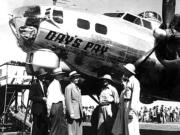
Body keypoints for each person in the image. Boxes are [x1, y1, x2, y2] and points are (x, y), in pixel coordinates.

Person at [112, 63, 140, 135]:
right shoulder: (127, 82)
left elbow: (135, 97)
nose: (124, 71)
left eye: (126, 70)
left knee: (130, 126)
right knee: (124, 127)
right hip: (124, 105)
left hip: (129, 105)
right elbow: (123, 95)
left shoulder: (135, 82)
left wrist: (132, 110)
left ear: (129, 71)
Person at [47, 67, 68, 135]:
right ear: (56, 76)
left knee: (61, 127)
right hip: (56, 106)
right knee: (56, 127)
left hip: (59, 106)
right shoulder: (53, 85)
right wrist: (49, 110)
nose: (61, 76)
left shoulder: (57, 84)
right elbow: (49, 99)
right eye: (60, 74)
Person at [65, 71, 83, 135]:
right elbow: (68, 101)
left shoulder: (77, 88)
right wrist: (71, 113)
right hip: (73, 113)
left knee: (78, 131)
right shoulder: (69, 87)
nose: (77, 79)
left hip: (79, 112)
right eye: (76, 77)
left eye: (78, 77)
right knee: (72, 131)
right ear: (72, 79)